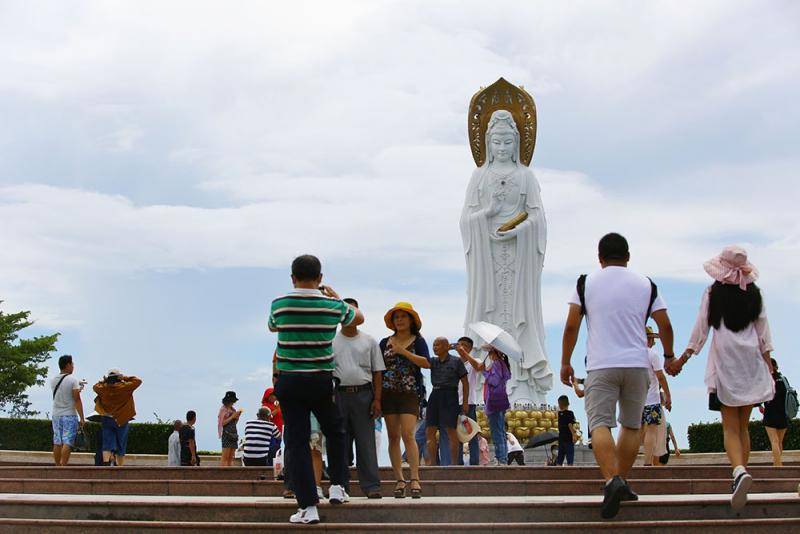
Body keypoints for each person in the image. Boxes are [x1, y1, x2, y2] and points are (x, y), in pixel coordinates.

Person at [561, 233, 674, 519]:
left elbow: (572, 326)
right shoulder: (647, 284)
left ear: (600, 258)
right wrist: (670, 355)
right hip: (637, 364)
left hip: (601, 364)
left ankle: (613, 481)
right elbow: (665, 324)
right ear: (628, 256)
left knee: (599, 424)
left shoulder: (585, 283)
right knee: (632, 426)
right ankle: (619, 481)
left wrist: (565, 362)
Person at [667, 246, 774, 510]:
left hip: (726, 360)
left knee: (729, 425)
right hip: (750, 360)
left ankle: (738, 471)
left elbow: (700, 329)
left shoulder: (713, 292)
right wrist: (769, 362)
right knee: (743, 426)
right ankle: (741, 472)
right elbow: (763, 330)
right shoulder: (754, 293)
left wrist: (683, 358)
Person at [269, 254, 363, 525]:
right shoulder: (331, 306)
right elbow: (359, 317)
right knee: (335, 431)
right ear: (320, 278)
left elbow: (272, 325)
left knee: (297, 442)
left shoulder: (280, 304)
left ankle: (308, 506)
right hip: (321, 380)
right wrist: (337, 297)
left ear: (292, 277)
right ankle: (338, 486)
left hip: (290, 380)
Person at [332, 297, 385, 499]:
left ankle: (371, 486)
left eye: (354, 311)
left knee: (366, 443)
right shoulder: (332, 341)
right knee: (340, 443)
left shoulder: (369, 341)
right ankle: (341, 486)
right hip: (339, 396)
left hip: (365, 394)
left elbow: (378, 372)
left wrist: (377, 399)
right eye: (346, 312)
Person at [379, 301, 430, 499]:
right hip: (388, 393)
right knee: (393, 436)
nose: (399, 320)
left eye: (403, 316)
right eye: (396, 317)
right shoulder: (384, 342)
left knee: (408, 434)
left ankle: (415, 478)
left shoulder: (418, 341)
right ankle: (399, 479)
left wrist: (404, 352)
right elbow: (378, 368)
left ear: (411, 320)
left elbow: (427, 363)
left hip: (410, 392)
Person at [425, 337, 469, 466]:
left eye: (437, 345)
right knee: (430, 431)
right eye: (433, 345)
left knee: (451, 431)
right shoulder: (433, 361)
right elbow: (421, 361)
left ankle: (454, 464)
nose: (434, 347)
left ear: (446, 346)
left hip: (450, 395)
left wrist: (465, 402)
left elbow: (465, 383)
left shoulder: (456, 362)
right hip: (435, 395)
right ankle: (433, 464)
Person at [93, 369, 142, 466]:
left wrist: (104, 381)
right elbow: (138, 381)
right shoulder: (125, 387)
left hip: (107, 418)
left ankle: (106, 465)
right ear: (118, 378)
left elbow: (95, 387)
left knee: (106, 445)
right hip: (122, 419)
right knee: (121, 445)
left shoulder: (103, 388)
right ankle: (120, 467)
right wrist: (124, 377)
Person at [641, 327, 672, 466]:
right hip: (651, 400)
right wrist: (668, 395)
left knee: (634, 431)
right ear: (650, 339)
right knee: (651, 431)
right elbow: (660, 376)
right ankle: (647, 462)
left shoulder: (632, 354)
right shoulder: (652, 355)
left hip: (635, 399)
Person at [49, 355, 85, 466]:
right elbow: (76, 399)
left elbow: (63, 393)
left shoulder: (53, 380)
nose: (73, 366)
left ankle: (57, 465)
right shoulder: (73, 380)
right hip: (69, 414)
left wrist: (78, 389)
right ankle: (63, 466)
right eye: (72, 364)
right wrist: (82, 417)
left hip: (56, 414)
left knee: (57, 441)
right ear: (68, 365)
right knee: (67, 441)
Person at [454, 336, 481, 465]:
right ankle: (458, 462)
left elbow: (479, 367)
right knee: (457, 434)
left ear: (470, 348)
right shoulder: (454, 362)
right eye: (459, 345)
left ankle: (475, 462)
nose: (461, 347)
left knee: (471, 434)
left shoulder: (474, 361)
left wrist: (465, 354)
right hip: (454, 403)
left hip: (469, 403)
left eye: (464, 345)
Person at [760, 358, 790, 466]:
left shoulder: (766, 380)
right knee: (779, 442)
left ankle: (778, 466)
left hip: (770, 413)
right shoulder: (783, 379)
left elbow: (761, 396)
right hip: (783, 414)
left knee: (774, 441)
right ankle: (777, 463)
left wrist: (760, 405)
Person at [218, 391, 243, 467]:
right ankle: (223, 475)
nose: (233, 402)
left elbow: (234, 423)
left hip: (233, 433)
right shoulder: (223, 409)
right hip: (226, 434)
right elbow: (222, 423)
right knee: (225, 457)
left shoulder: (233, 409)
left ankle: (230, 473)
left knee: (231, 457)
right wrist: (232, 417)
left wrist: (237, 417)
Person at [261, 385, 283, 466]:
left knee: (277, 450)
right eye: (272, 395)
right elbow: (268, 416)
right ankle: (269, 467)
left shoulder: (276, 406)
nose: (274, 397)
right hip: (270, 432)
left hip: (279, 431)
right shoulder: (265, 406)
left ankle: (275, 466)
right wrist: (277, 409)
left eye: (275, 395)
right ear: (268, 396)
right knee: (272, 450)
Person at [556, 395, 577, 466]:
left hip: (561, 439)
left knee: (560, 459)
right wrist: (574, 435)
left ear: (559, 404)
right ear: (568, 403)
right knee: (570, 459)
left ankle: (557, 474)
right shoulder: (570, 413)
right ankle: (570, 473)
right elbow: (570, 425)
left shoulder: (559, 414)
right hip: (568, 439)